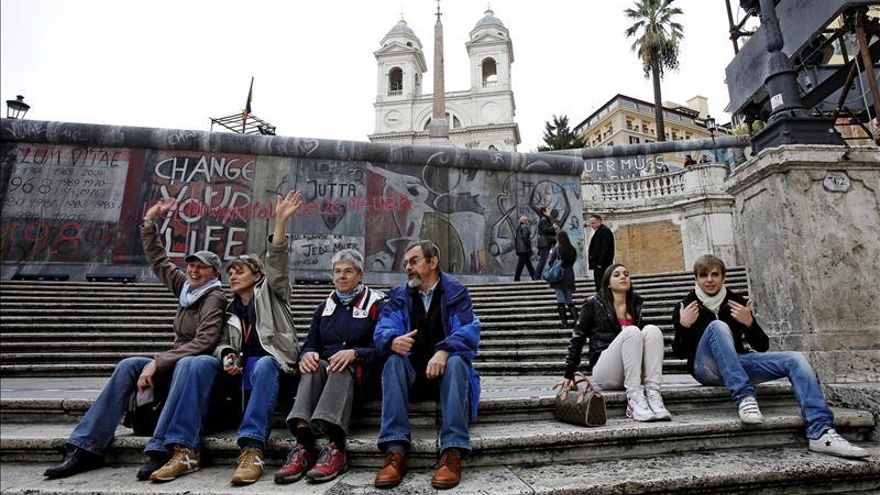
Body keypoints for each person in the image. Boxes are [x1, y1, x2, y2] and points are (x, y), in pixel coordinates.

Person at [44, 197, 227, 480]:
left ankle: (161, 448)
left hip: (201, 370)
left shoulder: (214, 297)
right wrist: (150, 223)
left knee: (185, 364)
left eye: (201, 267)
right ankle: (87, 447)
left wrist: (156, 363)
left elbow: (204, 342)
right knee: (129, 365)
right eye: (191, 265)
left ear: (215, 273)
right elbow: (158, 260)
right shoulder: (186, 289)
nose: (193, 270)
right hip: (178, 363)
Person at [142, 191, 303, 485]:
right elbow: (217, 343)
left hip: (274, 367)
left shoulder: (273, 293)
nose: (233, 276)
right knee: (199, 363)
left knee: (265, 364)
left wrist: (279, 221)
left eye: (239, 271)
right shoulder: (226, 308)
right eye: (230, 272)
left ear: (257, 275)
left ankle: (252, 448)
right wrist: (227, 354)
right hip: (237, 374)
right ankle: (184, 449)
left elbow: (278, 262)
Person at [671, 254, 868, 459]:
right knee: (717, 327)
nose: (709, 280)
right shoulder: (686, 306)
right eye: (703, 276)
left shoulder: (737, 302)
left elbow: (761, 346)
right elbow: (678, 353)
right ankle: (744, 397)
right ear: (696, 279)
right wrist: (683, 326)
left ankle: (820, 431)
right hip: (705, 369)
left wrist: (750, 324)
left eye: (714, 274)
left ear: (724, 278)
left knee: (795, 359)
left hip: (737, 362)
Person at [373, 240, 481, 490]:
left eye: (414, 261)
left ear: (433, 262)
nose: (407, 267)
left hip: (447, 377)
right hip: (413, 376)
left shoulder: (456, 292)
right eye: (406, 263)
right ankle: (395, 449)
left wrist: (444, 349)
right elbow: (384, 327)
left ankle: (452, 451)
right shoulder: (399, 294)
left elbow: (468, 330)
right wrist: (392, 339)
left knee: (456, 361)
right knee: (392, 362)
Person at [274, 248, 384, 485]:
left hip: (360, 377)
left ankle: (336, 447)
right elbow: (311, 342)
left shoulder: (377, 303)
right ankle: (304, 445)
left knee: (339, 365)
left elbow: (383, 346)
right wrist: (308, 353)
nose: (342, 276)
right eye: (337, 271)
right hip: (326, 376)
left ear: (360, 274)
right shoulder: (325, 306)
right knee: (312, 366)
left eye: (348, 271)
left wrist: (355, 353)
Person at [563, 264, 670, 422]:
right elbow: (577, 337)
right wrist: (569, 372)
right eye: (617, 274)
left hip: (631, 372)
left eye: (626, 274)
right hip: (605, 370)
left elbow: (644, 344)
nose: (623, 277)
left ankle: (654, 394)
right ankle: (634, 400)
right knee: (632, 331)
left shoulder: (635, 306)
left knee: (653, 330)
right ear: (607, 282)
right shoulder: (593, 304)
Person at [547, 231, 578, 327]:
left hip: (558, 277)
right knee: (569, 300)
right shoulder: (572, 249)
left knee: (560, 300)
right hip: (569, 275)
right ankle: (576, 320)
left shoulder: (557, 249)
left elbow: (550, 262)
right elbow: (572, 262)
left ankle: (564, 323)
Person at [587, 214, 614, 293]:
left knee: (602, 284)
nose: (591, 225)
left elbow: (605, 248)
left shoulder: (604, 231)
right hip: (598, 265)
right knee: (599, 285)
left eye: (593, 223)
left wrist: (600, 262)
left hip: (602, 265)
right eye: (591, 223)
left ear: (599, 221)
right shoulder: (599, 232)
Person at [534, 207, 560, 279]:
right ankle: (537, 276)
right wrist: (553, 227)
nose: (550, 212)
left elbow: (548, 231)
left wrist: (554, 229)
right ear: (544, 212)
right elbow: (545, 230)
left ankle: (537, 276)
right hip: (544, 242)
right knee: (543, 260)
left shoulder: (546, 220)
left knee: (543, 259)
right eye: (548, 210)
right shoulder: (543, 220)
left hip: (545, 242)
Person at [513, 216, 535, 281]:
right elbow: (526, 238)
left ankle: (534, 276)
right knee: (521, 265)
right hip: (524, 249)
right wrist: (529, 246)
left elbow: (517, 239)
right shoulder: (525, 227)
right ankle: (516, 278)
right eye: (527, 220)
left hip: (520, 249)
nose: (528, 222)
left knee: (528, 264)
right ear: (525, 221)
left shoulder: (518, 228)